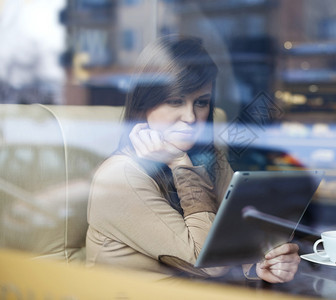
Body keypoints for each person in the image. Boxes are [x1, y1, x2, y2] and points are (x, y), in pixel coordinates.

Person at [85, 35, 300, 283]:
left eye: (201, 102)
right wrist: (180, 164)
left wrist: (262, 262)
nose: (190, 116)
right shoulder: (121, 176)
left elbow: (237, 233)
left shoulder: (206, 157)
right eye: (175, 101)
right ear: (144, 105)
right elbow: (208, 261)